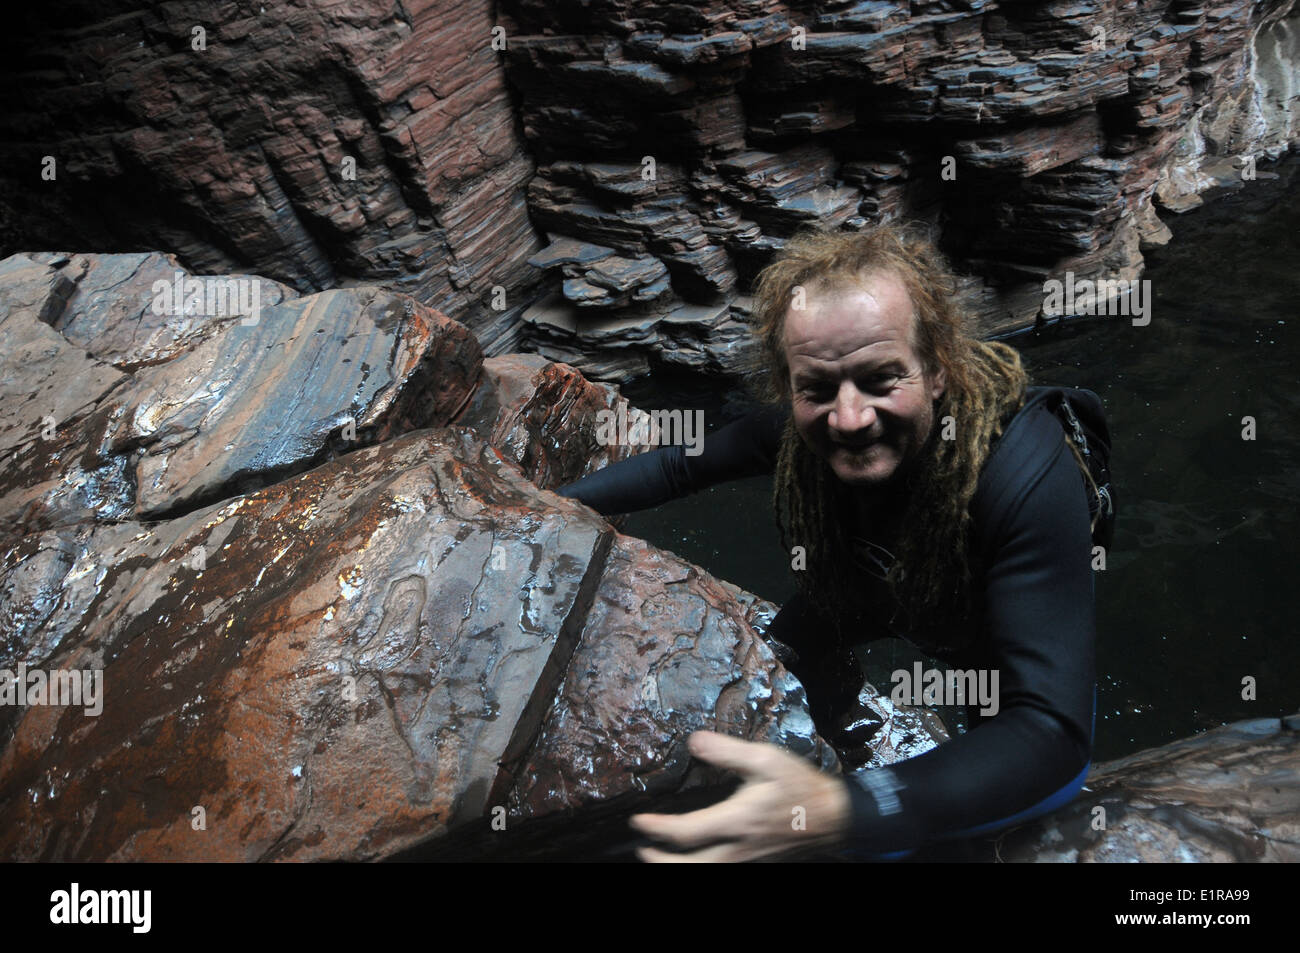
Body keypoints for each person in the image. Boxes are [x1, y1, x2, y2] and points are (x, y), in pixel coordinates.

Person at [555, 223, 1098, 862]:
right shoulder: (797, 428)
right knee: (790, 649)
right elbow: (678, 466)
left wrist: (846, 810)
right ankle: (838, 740)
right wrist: (547, 510)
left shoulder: (1026, 473)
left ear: (938, 370)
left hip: (987, 629)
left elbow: (1051, 734)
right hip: (874, 585)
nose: (849, 418)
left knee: (982, 794)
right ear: (791, 387)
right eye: (816, 390)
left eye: (880, 379)